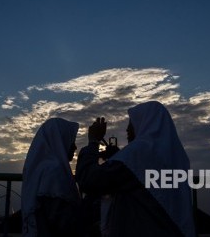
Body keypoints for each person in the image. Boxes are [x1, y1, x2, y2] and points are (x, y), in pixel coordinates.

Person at [76, 101, 195, 237]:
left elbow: (90, 180)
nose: (127, 129)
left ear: (145, 123)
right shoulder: (175, 155)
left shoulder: (139, 153)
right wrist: (118, 156)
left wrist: (93, 142)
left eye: (131, 123)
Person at [21, 118, 82, 237]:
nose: (74, 147)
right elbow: (62, 222)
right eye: (71, 141)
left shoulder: (41, 169)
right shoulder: (53, 172)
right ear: (59, 140)